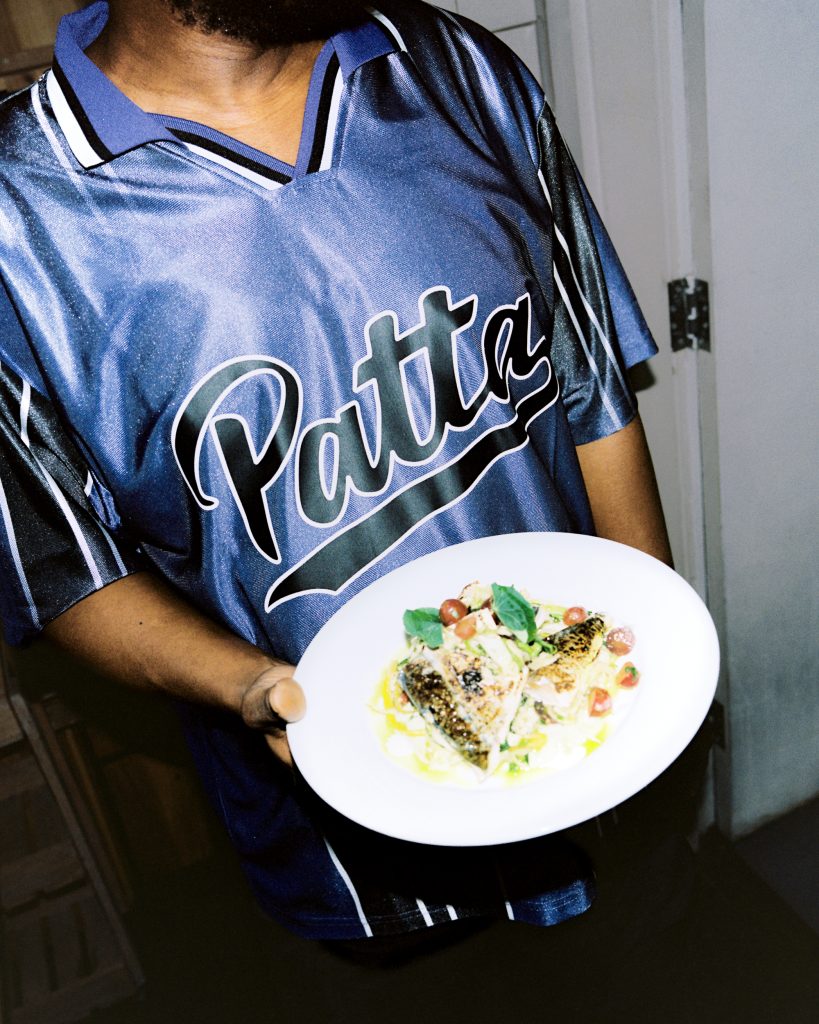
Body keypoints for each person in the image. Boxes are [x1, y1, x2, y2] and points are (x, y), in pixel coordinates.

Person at [0, 0, 672, 950]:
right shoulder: (17, 210)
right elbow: (61, 567)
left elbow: (588, 378)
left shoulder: (456, 66)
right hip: (349, 850)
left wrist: (652, 654)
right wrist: (249, 687)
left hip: (587, 748)